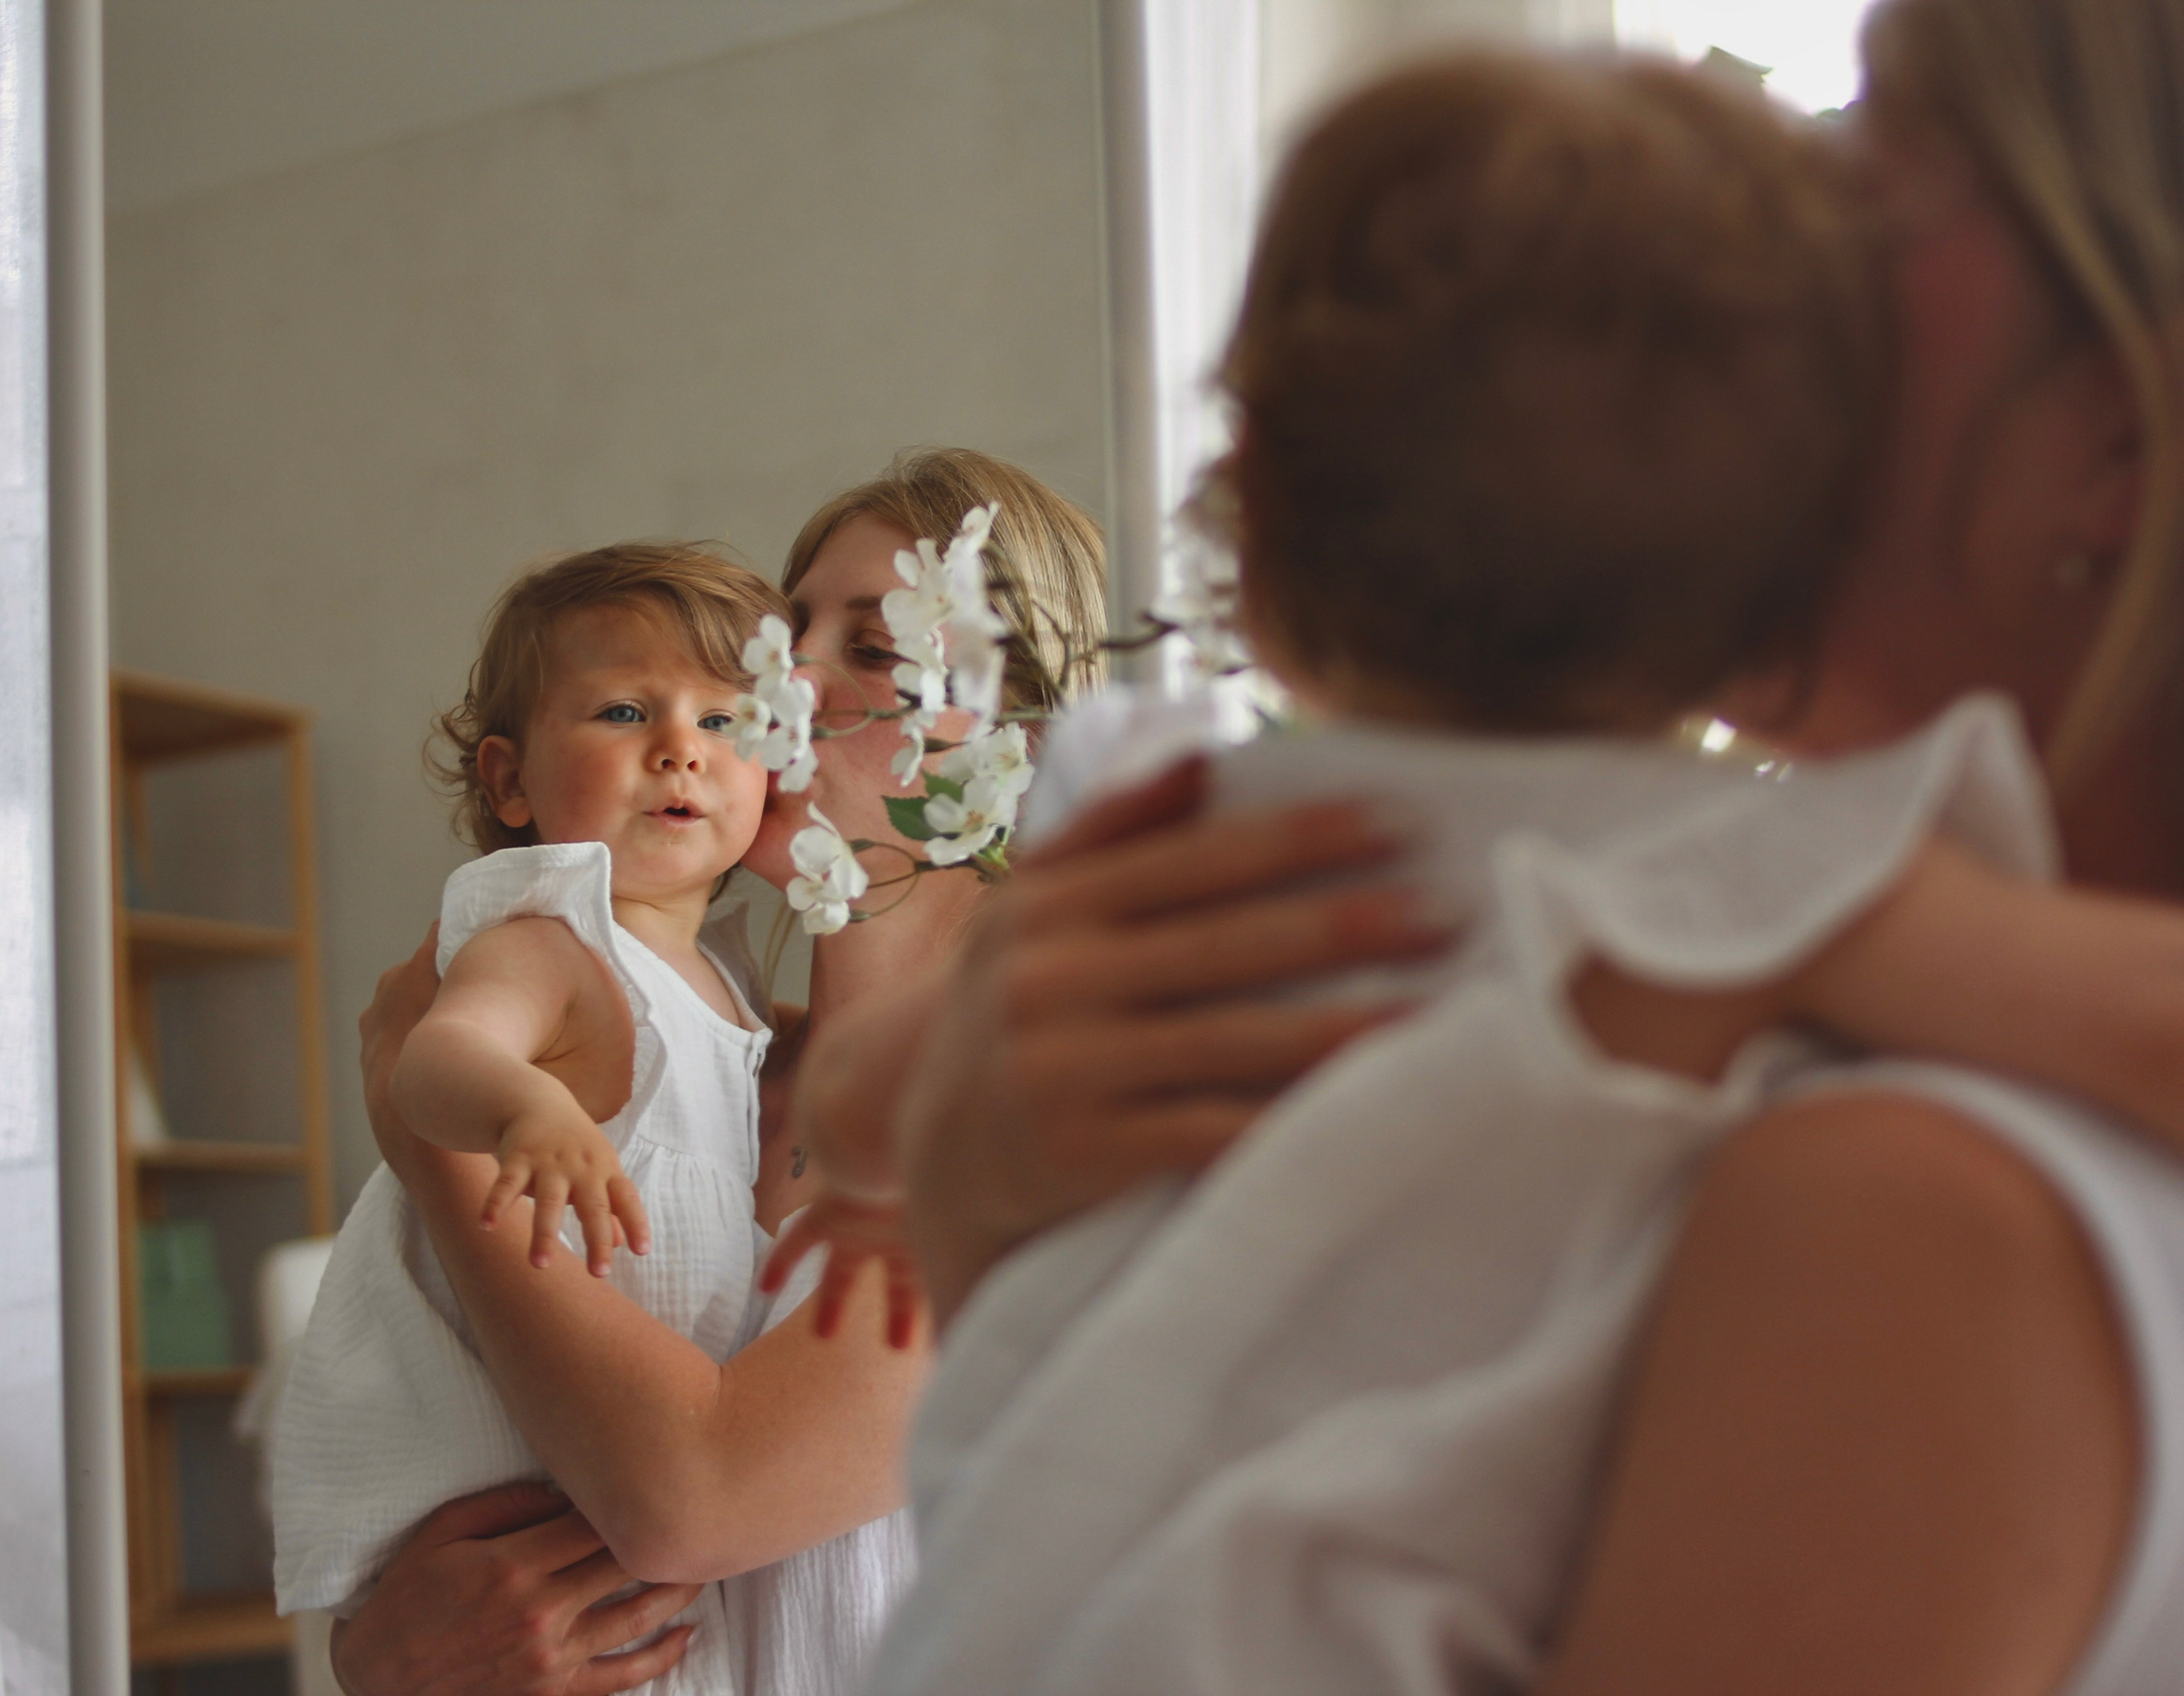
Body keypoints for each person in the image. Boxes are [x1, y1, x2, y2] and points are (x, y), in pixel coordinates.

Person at [883, 2, 2184, 1690]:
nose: (1803, 191)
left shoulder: (1915, 1198)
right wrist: (984, 1195)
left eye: (1880, 145)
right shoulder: (1820, 970)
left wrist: (974, 1221)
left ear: (2117, 423)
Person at [326, 449, 1116, 1696]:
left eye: (875, 649)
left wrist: (429, 1141)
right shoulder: (689, 1075)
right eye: (783, 630)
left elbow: (694, 1502)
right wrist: (385, 1649)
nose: (779, 682)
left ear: (1015, 745)